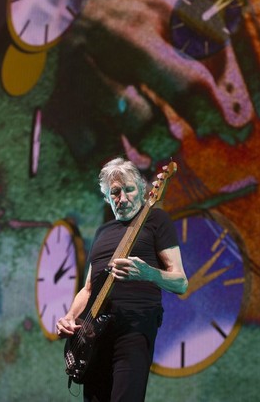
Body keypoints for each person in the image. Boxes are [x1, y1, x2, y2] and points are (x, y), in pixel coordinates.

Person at [56, 157, 188, 402]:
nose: (123, 197)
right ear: (107, 197)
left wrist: (148, 273)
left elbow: (181, 282)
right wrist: (70, 317)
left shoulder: (156, 221)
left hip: (134, 330)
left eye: (129, 189)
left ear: (143, 191)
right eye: (115, 192)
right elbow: (87, 289)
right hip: (93, 337)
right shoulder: (102, 232)